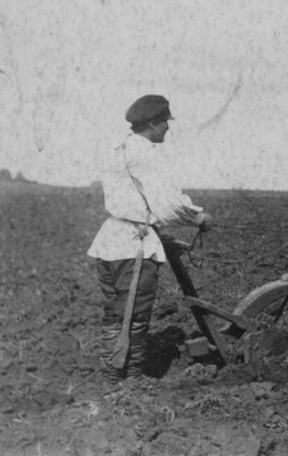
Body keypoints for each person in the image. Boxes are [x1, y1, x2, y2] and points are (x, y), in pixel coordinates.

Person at [87, 94, 210, 381]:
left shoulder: (118, 149)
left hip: (110, 242)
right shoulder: (146, 153)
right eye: (166, 122)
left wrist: (163, 238)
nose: (168, 128)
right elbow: (167, 204)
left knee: (115, 313)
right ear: (153, 123)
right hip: (133, 246)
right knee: (136, 315)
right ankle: (130, 378)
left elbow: (135, 202)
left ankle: (111, 374)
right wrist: (198, 218)